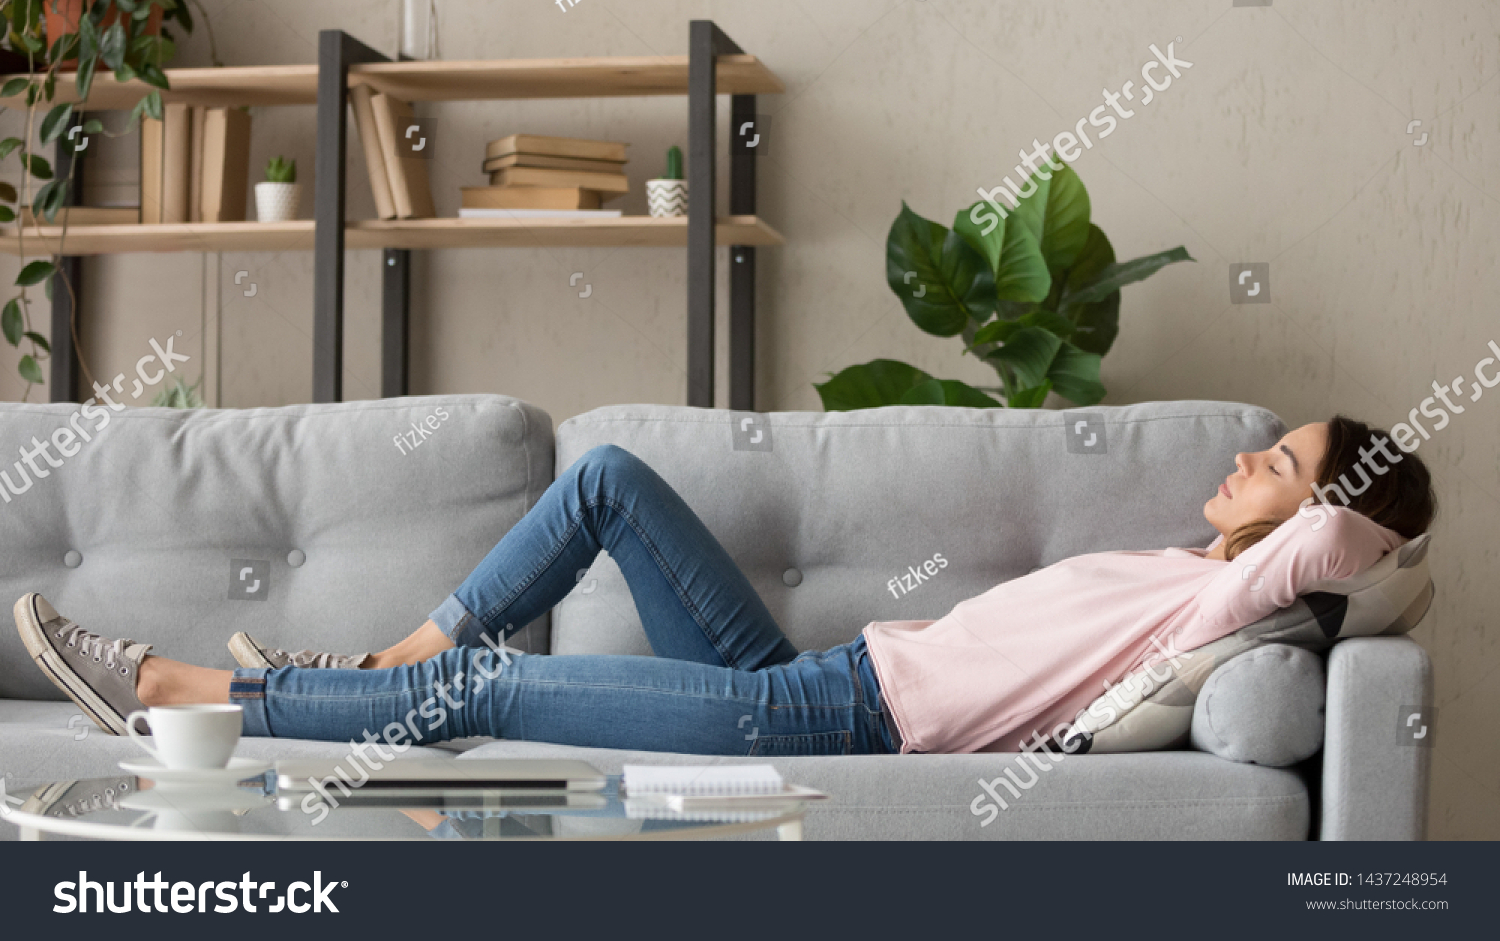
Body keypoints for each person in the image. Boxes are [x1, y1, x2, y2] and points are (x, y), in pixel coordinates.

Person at [14, 415, 1435, 757]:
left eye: (1281, 462)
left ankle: (165, 690)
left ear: (1320, 510)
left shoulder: (1231, 606)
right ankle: (372, 665)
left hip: (840, 728)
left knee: (492, 687)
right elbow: (1322, 532)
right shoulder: (1192, 567)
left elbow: (1361, 552)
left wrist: (1361, 500)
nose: (1247, 456)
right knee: (609, 478)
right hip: (811, 672)